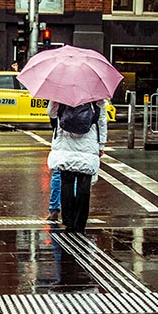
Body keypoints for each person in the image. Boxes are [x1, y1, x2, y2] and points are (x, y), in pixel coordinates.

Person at [46, 99, 108, 233]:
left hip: (65, 143)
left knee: (66, 184)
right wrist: (101, 144)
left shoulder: (61, 91)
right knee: (84, 187)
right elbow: (101, 120)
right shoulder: (95, 94)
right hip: (88, 144)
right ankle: (80, 223)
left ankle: (68, 221)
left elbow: (51, 113)